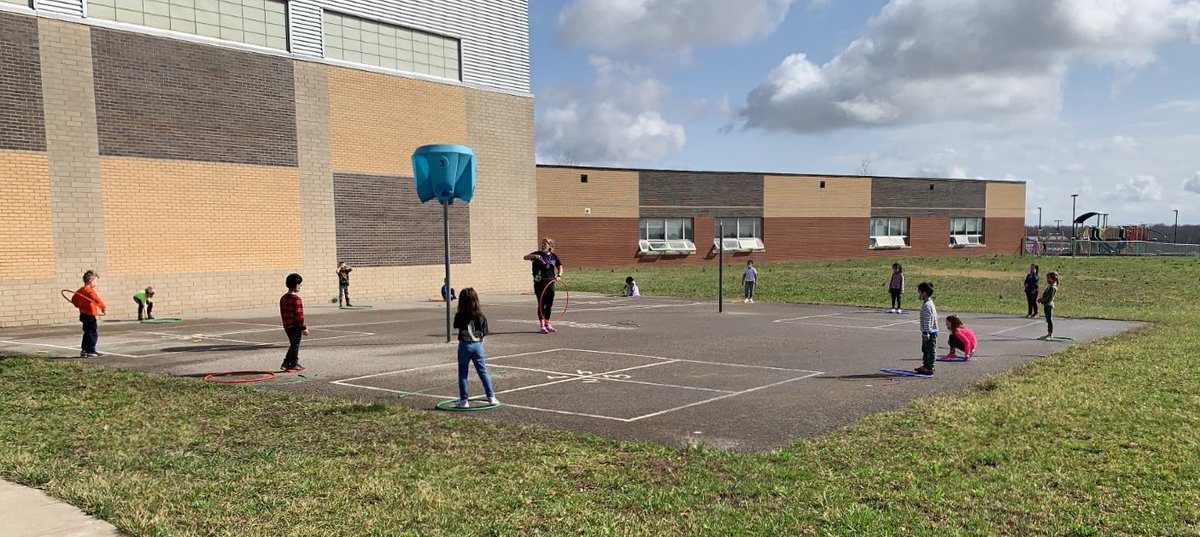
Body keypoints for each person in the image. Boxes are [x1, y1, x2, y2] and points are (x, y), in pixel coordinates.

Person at [452, 288, 498, 409]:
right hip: (477, 345)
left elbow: (455, 325)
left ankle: (464, 400)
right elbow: (484, 333)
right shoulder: (481, 316)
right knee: (483, 372)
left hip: (464, 345)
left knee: (463, 374)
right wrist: (480, 345)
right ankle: (491, 397)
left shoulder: (459, 315)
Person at [523, 238, 563, 334]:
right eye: (542, 243)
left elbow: (560, 266)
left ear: (550, 246)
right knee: (541, 303)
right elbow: (525, 257)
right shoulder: (538, 254)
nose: (543, 245)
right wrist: (534, 256)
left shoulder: (553, 256)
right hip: (540, 282)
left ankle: (547, 324)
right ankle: (542, 326)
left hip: (550, 282)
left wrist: (559, 276)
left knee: (549, 304)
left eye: (545, 244)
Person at [71, 270, 107, 358]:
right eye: (96, 281)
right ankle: (91, 350)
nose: (96, 283)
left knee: (87, 333)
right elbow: (96, 299)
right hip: (90, 314)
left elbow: (74, 299)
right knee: (92, 333)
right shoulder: (89, 290)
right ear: (91, 280)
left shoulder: (81, 290)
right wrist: (103, 307)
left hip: (83, 314)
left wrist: (78, 305)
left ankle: (84, 351)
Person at [279, 273, 309, 372]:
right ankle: (292, 363)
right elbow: (299, 315)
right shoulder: (296, 299)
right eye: (299, 284)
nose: (300, 286)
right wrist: (303, 327)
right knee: (295, 344)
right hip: (295, 326)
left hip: (287, 325)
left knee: (293, 344)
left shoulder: (283, 298)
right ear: (296, 285)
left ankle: (288, 363)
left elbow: (283, 313)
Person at [914, 282, 938, 376]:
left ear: (924, 293)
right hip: (928, 331)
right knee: (925, 349)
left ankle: (930, 367)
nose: (918, 294)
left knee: (930, 350)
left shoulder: (927, 305)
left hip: (930, 332)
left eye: (919, 292)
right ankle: (925, 365)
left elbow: (928, 320)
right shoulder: (928, 302)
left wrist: (926, 333)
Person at [1038, 271, 1059, 340]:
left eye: (1049, 278)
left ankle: (1050, 334)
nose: (1047, 280)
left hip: (1049, 305)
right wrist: (1041, 299)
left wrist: (1042, 300)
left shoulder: (1053, 288)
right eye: (1047, 278)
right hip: (1046, 305)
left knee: (1049, 320)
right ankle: (1049, 333)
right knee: (1047, 319)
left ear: (1053, 279)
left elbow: (1049, 298)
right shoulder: (1049, 287)